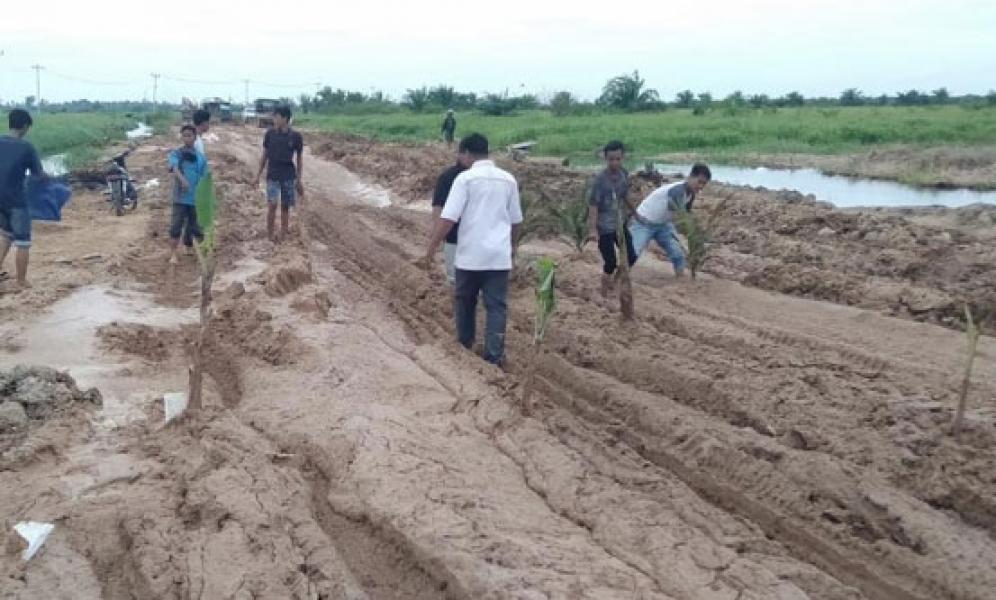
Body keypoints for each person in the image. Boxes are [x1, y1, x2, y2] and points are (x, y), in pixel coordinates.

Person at [422, 133, 522, 367]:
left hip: (470, 257)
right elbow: (517, 221)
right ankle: (494, 355)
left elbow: (448, 218)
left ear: (466, 153)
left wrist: (431, 248)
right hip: (498, 258)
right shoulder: (508, 180)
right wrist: (512, 248)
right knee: (496, 306)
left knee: (465, 300)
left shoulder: (465, 180)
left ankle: (465, 345)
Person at [628, 163, 711, 277]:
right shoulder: (677, 191)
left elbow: (687, 214)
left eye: (704, 184)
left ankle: (680, 279)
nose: (701, 186)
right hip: (644, 222)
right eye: (699, 182)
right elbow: (680, 217)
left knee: (678, 254)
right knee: (632, 254)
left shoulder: (690, 194)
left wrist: (696, 230)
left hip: (663, 224)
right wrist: (691, 237)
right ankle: (617, 277)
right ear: (690, 177)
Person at [0, 109, 46, 289]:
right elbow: (38, 174)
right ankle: (21, 281)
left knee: (4, 235)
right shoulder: (26, 147)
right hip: (17, 201)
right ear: (25, 126)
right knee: (23, 242)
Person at [587, 140, 638, 296]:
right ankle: (603, 292)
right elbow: (593, 205)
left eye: (618, 159)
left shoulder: (624, 174)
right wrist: (593, 229)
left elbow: (625, 195)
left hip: (619, 223)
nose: (614, 162)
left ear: (623, 157)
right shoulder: (600, 181)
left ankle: (614, 284)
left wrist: (635, 213)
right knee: (610, 261)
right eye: (611, 159)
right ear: (605, 159)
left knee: (631, 256)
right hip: (604, 227)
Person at [254, 106, 304, 242]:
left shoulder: (296, 137)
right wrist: (258, 175)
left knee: (285, 205)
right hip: (272, 174)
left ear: (285, 118)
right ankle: (270, 234)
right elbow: (264, 156)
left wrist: (299, 180)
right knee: (272, 204)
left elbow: (299, 159)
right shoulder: (270, 134)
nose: (274, 119)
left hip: (288, 175)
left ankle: (283, 234)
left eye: (276, 116)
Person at [431, 146, 473, 285]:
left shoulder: (448, 176)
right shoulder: (493, 179)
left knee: (457, 284)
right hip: (483, 242)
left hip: (455, 239)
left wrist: (436, 239)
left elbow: (439, 209)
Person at [167, 125, 208, 265]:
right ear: (181, 137)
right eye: (184, 135)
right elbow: (174, 167)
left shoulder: (201, 158)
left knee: (195, 226)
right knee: (176, 226)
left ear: (195, 137)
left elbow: (204, 177)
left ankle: (191, 249)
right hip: (180, 197)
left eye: (190, 135)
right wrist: (182, 179)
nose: (187, 138)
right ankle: (173, 254)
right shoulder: (176, 154)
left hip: (195, 198)